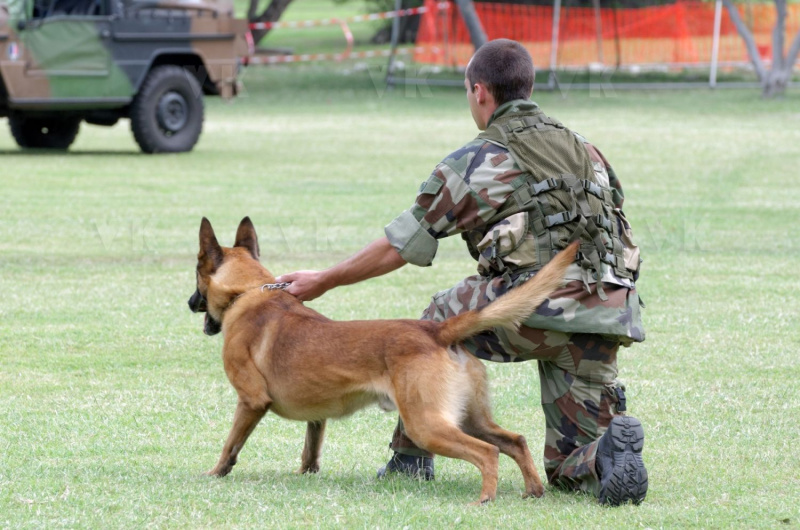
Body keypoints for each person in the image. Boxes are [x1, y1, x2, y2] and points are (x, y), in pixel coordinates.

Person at [276, 39, 648, 506]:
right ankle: (606, 454)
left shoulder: (477, 160)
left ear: (480, 93)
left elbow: (401, 245)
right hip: (606, 313)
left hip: (533, 312)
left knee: (430, 327)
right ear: (528, 87)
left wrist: (323, 279)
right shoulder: (587, 150)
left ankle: (409, 458)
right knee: (566, 466)